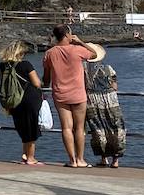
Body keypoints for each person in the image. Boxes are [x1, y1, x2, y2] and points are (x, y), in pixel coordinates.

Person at [42, 25, 101, 167]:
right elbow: (94, 54)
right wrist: (80, 41)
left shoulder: (50, 53)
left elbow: (46, 79)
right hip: (78, 94)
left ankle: (72, 160)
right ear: (68, 34)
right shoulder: (77, 50)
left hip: (60, 94)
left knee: (66, 128)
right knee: (79, 128)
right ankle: (80, 159)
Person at [0, 41, 44, 166]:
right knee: (31, 129)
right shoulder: (26, 65)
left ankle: (25, 155)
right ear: (20, 53)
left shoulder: (3, 66)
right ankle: (31, 158)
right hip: (29, 99)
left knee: (23, 128)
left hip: (14, 100)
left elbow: (2, 82)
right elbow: (36, 83)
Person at [84, 54, 125, 168]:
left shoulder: (84, 69)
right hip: (110, 100)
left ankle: (103, 158)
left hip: (92, 101)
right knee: (116, 128)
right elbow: (115, 85)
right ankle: (115, 160)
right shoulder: (108, 68)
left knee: (98, 129)